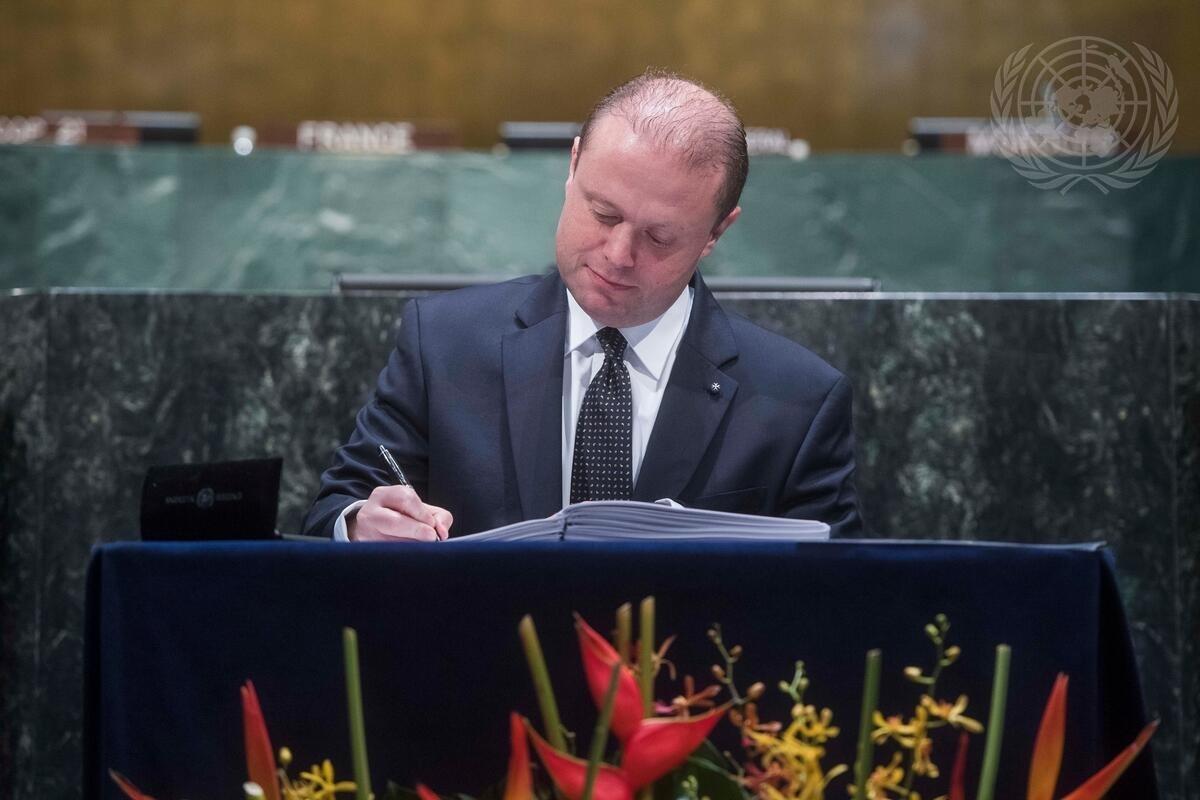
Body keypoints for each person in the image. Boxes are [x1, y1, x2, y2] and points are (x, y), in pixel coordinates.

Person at [303, 70, 861, 542]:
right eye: (603, 213)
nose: (618, 255)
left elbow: (841, 596)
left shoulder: (799, 402)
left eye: (659, 237)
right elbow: (334, 509)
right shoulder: (443, 344)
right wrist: (359, 524)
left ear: (717, 231)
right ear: (572, 167)